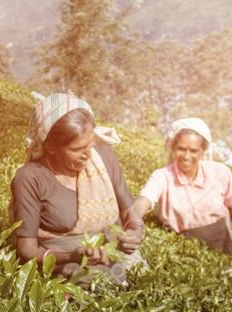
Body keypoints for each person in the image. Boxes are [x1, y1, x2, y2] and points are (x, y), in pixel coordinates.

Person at [9, 93, 147, 286]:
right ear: (51, 147)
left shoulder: (104, 156)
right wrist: (71, 256)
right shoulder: (30, 177)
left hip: (114, 254)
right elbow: (27, 250)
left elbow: (130, 214)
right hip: (62, 263)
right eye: (76, 149)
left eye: (90, 144)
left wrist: (134, 233)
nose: (88, 155)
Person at [132, 118, 232, 254]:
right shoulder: (162, 176)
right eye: (181, 149)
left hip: (222, 242)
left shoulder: (219, 172)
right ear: (173, 148)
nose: (186, 156)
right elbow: (144, 200)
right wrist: (132, 220)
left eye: (193, 151)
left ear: (203, 150)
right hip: (181, 248)